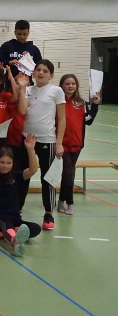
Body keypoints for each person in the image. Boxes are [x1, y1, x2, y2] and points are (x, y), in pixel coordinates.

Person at [17, 60, 65, 230]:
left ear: (51, 75)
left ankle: (48, 214)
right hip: (27, 139)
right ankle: (18, 208)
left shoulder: (56, 91)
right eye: (38, 69)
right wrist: (22, 88)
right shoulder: (28, 90)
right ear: (33, 72)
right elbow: (22, 111)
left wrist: (59, 143)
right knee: (23, 175)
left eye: (45, 71)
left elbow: (62, 119)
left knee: (47, 178)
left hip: (47, 140)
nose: (41, 73)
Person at [0, 135, 41, 256]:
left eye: (8, 163)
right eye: (2, 162)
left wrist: (31, 149)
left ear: (13, 163)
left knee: (35, 228)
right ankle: (14, 242)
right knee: (5, 225)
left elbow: (33, 170)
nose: (5, 165)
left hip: (14, 218)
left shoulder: (16, 176)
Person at [59, 74, 100, 215]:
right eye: (67, 83)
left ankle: (61, 200)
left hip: (77, 144)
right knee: (69, 172)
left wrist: (94, 105)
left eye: (73, 83)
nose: (70, 86)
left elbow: (88, 120)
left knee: (68, 173)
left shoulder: (81, 102)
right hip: (61, 144)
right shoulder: (58, 101)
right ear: (62, 85)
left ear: (76, 86)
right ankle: (70, 203)